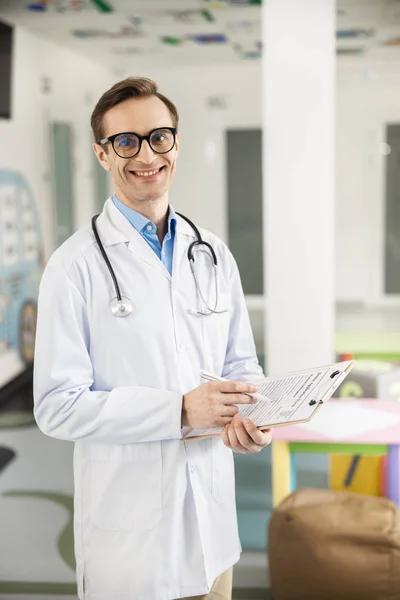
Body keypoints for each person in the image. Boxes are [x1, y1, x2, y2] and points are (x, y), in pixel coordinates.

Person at [33, 77, 272, 600]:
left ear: (176, 144)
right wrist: (180, 410)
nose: (146, 154)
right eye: (126, 141)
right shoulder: (74, 266)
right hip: (132, 547)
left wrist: (254, 417)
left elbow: (242, 366)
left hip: (212, 532)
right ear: (102, 153)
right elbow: (56, 407)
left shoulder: (211, 252)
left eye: (159, 137)